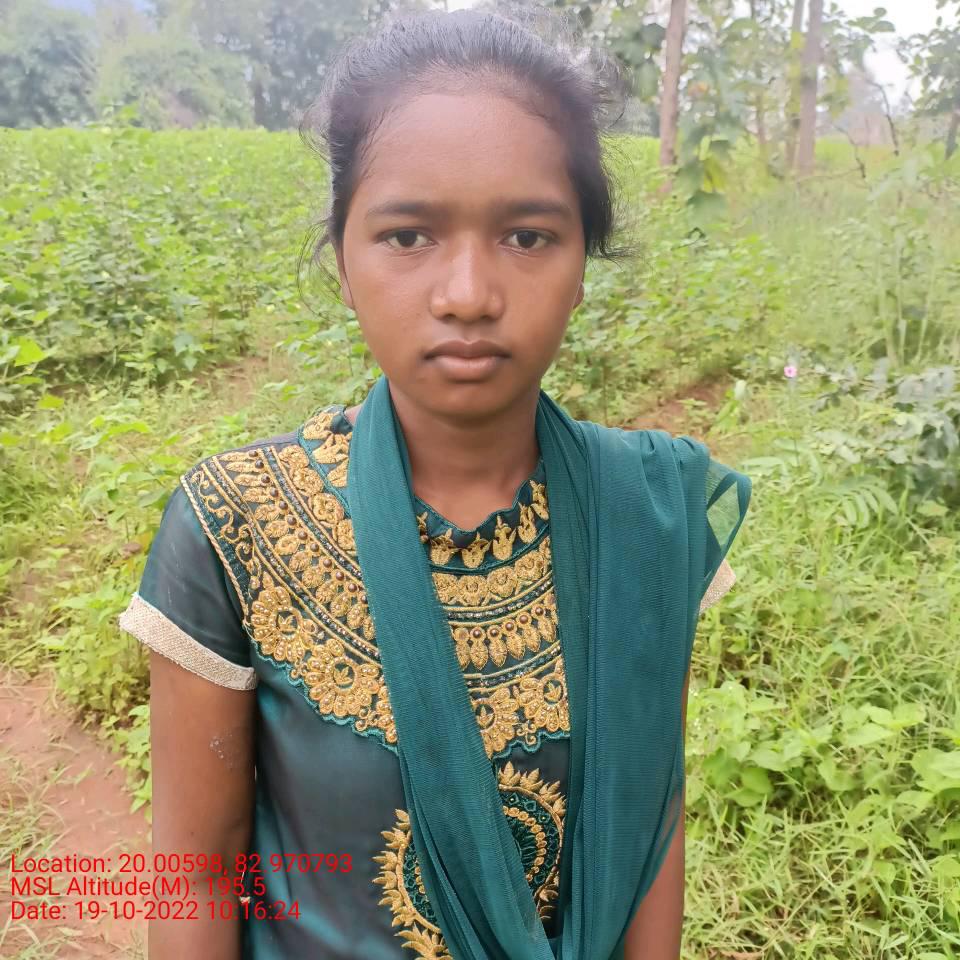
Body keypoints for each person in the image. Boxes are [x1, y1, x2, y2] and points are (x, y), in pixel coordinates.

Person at [118, 5, 751, 959]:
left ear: (584, 263)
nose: (468, 295)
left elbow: (648, 828)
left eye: (527, 237)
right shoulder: (235, 523)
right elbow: (198, 871)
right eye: (408, 235)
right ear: (342, 260)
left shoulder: (648, 517)